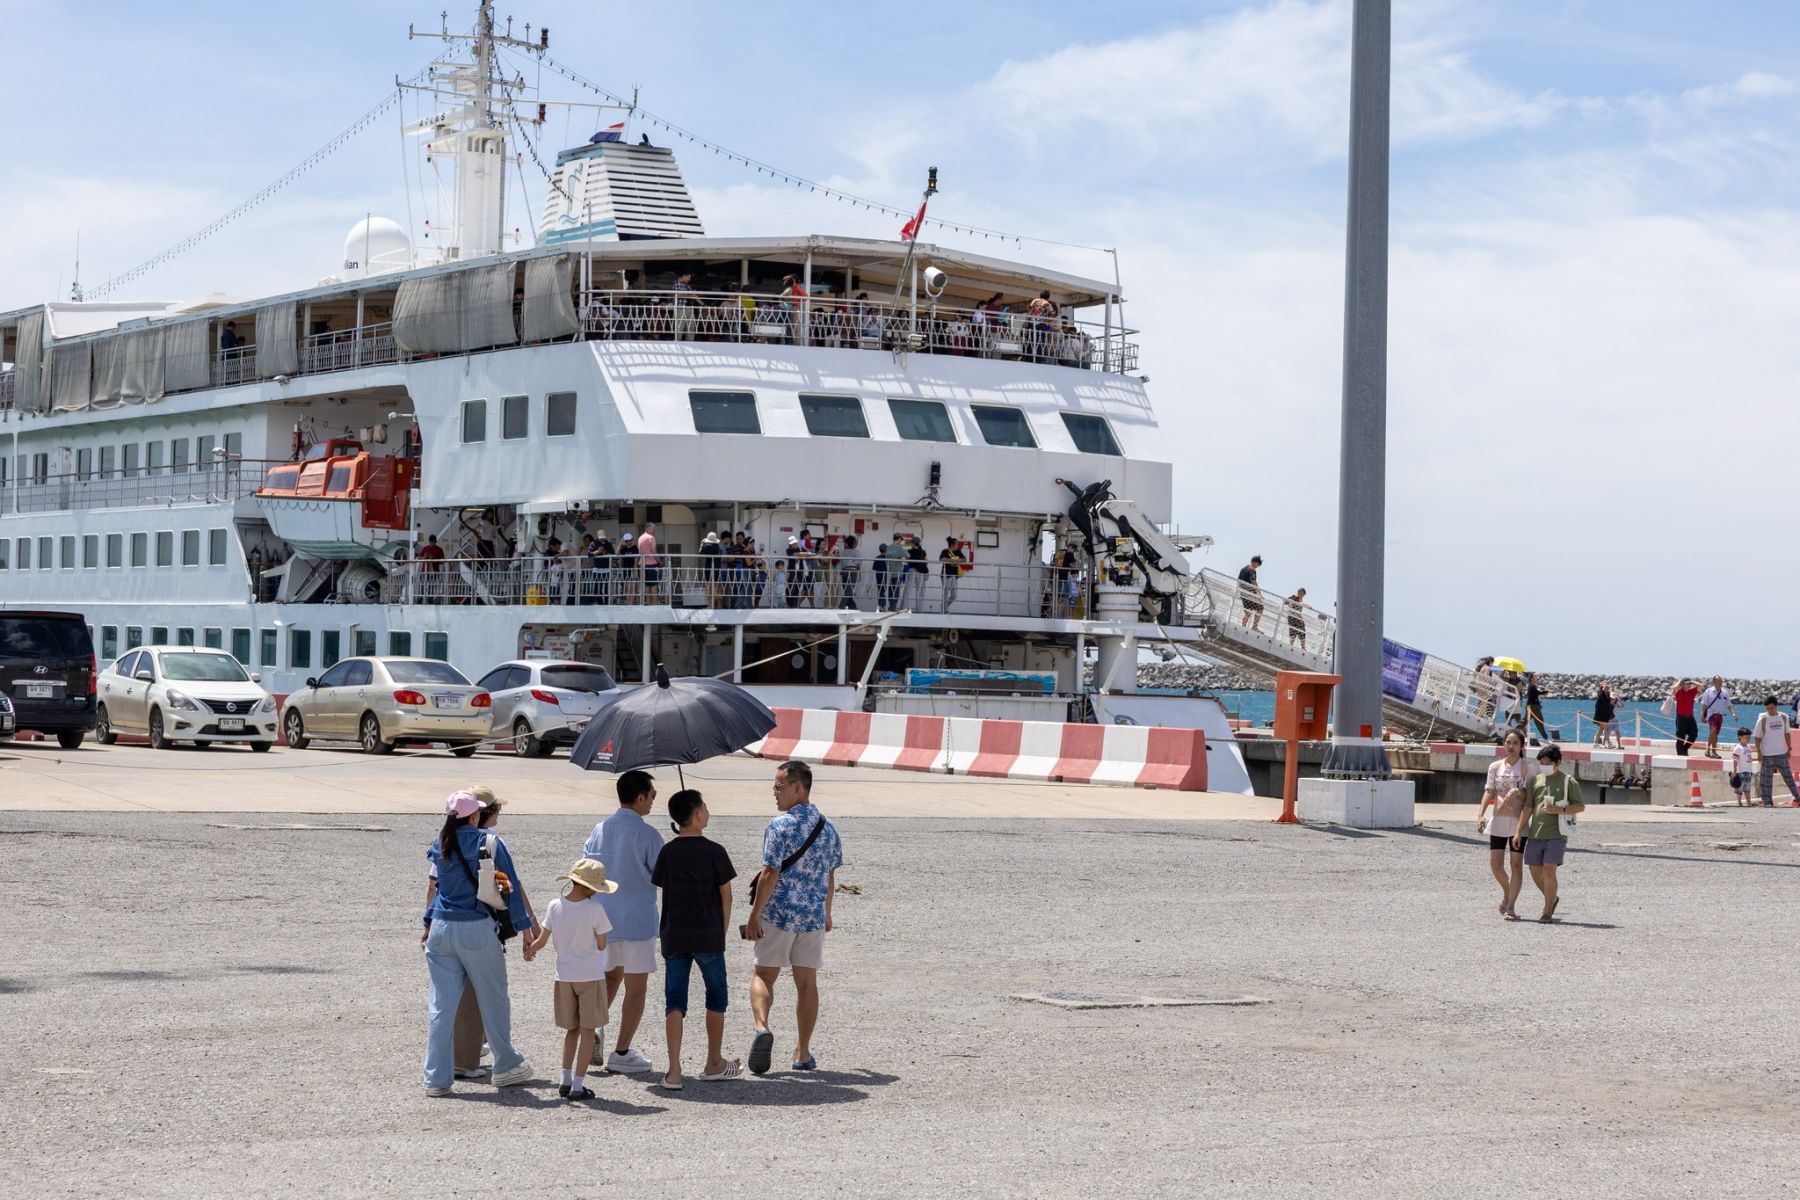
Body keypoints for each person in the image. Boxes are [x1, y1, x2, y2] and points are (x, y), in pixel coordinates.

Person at [421, 789, 537, 1096]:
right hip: (475, 929)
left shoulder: (440, 845)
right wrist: (525, 930)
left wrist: (427, 924)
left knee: (441, 1007)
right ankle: (506, 1065)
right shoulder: (491, 843)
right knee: (494, 999)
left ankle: (436, 1078)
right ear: (475, 816)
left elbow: (437, 891)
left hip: (441, 931)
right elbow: (508, 889)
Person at [744, 760, 844, 1076]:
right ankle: (802, 1052)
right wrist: (826, 913)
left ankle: (762, 1027)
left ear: (797, 787)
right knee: (807, 984)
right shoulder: (829, 828)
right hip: (812, 917)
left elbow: (770, 873)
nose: (774, 793)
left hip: (779, 914)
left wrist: (754, 915)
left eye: (779, 787)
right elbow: (829, 876)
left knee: (764, 975)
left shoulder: (779, 826)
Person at [651, 789, 742, 1088]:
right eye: (704, 806)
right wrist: (722, 930)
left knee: (674, 1001)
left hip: (674, 934)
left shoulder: (667, 851)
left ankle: (674, 1070)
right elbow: (726, 895)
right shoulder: (715, 851)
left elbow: (664, 888)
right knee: (716, 997)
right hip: (708, 935)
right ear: (699, 815)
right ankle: (713, 1062)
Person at [581, 769, 665, 1075]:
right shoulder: (648, 834)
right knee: (636, 986)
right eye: (652, 796)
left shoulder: (599, 829)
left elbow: (585, 869)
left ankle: (595, 1030)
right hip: (637, 919)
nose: (654, 801)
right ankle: (622, 1051)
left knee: (609, 977)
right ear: (640, 797)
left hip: (603, 917)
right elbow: (663, 874)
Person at [524, 858, 617, 1101]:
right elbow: (601, 943)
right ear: (590, 887)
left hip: (564, 977)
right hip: (591, 976)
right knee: (588, 1032)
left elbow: (542, 941)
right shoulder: (596, 910)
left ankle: (564, 1079)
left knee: (571, 1030)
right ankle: (578, 1085)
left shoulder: (555, 906)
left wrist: (530, 949)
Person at [1516, 743, 1583, 923]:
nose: (1544, 766)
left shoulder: (1569, 781)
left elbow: (1580, 806)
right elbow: (1528, 807)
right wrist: (1518, 832)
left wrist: (1559, 810)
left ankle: (1547, 911)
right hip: (1536, 833)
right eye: (1542, 763)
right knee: (1534, 869)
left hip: (1557, 834)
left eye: (1548, 763)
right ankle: (1551, 898)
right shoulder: (1536, 781)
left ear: (1557, 762)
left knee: (1549, 869)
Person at [1475, 731, 1534, 920]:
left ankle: (1511, 907)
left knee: (1516, 864)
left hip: (1518, 821)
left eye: (1515, 743)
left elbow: (1530, 796)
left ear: (1522, 746)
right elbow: (1489, 791)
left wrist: (1518, 792)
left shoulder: (1527, 768)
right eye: (1508, 742)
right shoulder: (1495, 767)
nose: (1511, 746)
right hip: (1499, 819)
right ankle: (1508, 892)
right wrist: (1480, 815)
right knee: (1496, 865)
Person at [1752, 696, 1798, 807]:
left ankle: (1797, 797)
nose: (1770, 710)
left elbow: (1787, 733)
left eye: (1772, 708)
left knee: (1788, 777)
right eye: (1768, 708)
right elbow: (1757, 737)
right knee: (1766, 779)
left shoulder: (1783, 717)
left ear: (1776, 706)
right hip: (1767, 754)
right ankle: (1767, 801)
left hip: (1781, 753)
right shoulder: (1763, 719)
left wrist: (1789, 748)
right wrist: (1759, 752)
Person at [1699, 675, 1736, 759]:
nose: (1720, 683)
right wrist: (1702, 714)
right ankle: (1708, 749)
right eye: (1718, 681)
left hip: (1720, 716)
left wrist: (1733, 713)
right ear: (1714, 682)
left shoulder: (1724, 692)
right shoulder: (1709, 691)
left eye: (1721, 681)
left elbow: (1729, 704)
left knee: (1716, 734)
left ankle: (1714, 751)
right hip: (1712, 714)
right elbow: (1704, 704)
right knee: (1713, 730)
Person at [1670, 677, 1701, 757]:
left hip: (1690, 717)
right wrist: (1680, 681)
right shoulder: (1679, 692)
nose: (1689, 685)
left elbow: (1700, 686)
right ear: (1682, 685)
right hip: (1681, 718)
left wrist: (1692, 681)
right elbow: (1674, 688)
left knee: (1694, 734)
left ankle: (1685, 749)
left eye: (1689, 684)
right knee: (1681, 737)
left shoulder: (1692, 692)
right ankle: (1680, 754)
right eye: (1687, 684)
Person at [1524, 672, 1553, 745]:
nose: (1537, 677)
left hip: (1531, 706)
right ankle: (1546, 738)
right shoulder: (1532, 686)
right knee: (1539, 722)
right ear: (1531, 678)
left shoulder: (1531, 685)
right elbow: (1537, 693)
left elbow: (1535, 694)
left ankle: (1516, 732)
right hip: (1533, 707)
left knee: (1524, 721)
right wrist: (1547, 691)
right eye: (1535, 676)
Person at [938, 536, 966, 612]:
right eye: (957, 544)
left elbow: (964, 559)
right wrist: (953, 560)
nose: (958, 545)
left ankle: (944, 606)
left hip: (955, 575)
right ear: (952, 545)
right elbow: (941, 559)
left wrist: (958, 560)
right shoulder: (945, 551)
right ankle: (944, 610)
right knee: (946, 593)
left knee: (954, 595)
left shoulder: (958, 552)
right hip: (946, 575)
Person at [1730, 727, 1756, 806]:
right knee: (1739, 788)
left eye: (1748, 737)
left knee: (1747, 788)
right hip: (1741, 771)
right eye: (1746, 737)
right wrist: (1734, 771)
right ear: (1740, 737)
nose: (1748, 739)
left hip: (1748, 771)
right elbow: (1735, 760)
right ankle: (1739, 802)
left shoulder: (1748, 747)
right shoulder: (1738, 748)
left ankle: (1749, 802)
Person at [1237, 555, 1264, 631]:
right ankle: (1254, 627)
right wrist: (1259, 594)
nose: (1256, 567)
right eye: (1257, 566)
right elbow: (1253, 582)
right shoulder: (1252, 570)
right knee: (1260, 608)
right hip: (1250, 594)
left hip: (1242, 593)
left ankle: (1243, 627)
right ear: (1255, 563)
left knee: (1248, 612)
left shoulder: (1243, 569)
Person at [903, 535, 928, 611]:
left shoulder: (909, 551)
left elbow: (907, 561)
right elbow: (926, 562)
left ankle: (904, 608)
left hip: (912, 570)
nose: (911, 544)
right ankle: (920, 610)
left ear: (914, 543)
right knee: (920, 591)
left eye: (912, 543)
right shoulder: (923, 551)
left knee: (908, 589)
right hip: (920, 572)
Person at [638, 522, 661, 602]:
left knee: (646, 584)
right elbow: (654, 551)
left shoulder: (640, 538)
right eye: (653, 529)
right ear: (647, 528)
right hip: (651, 564)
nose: (654, 530)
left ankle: (647, 602)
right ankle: (654, 603)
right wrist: (659, 561)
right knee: (654, 584)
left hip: (642, 564)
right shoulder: (651, 537)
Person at [1592, 681, 1617, 749]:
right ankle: (1608, 744)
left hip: (1605, 715)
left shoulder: (1607, 694)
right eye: (1606, 687)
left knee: (1602, 729)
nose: (1607, 688)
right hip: (1600, 715)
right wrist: (1604, 686)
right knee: (1606, 729)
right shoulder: (1601, 693)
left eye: (1608, 687)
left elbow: (1611, 701)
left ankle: (1595, 743)